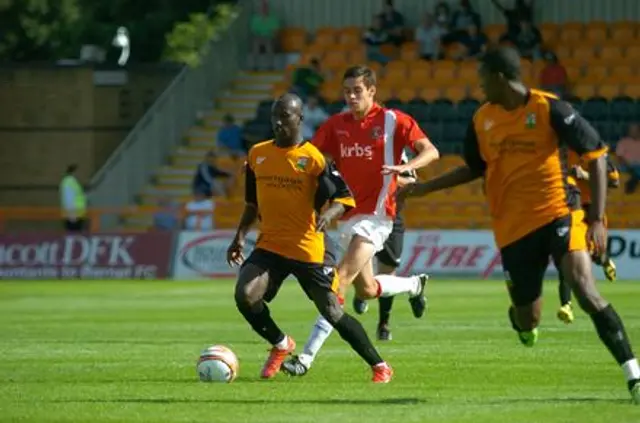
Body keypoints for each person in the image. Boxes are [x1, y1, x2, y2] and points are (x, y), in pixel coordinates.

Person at [405, 47, 640, 403]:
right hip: (513, 228)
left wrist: (596, 220)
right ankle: (522, 323)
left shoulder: (550, 109)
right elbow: (473, 167)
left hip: (560, 212)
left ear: (500, 78)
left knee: (584, 289)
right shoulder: (481, 119)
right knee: (527, 318)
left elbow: (596, 155)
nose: (480, 86)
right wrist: (422, 189)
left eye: (483, 79)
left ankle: (633, 376)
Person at [281, 65, 439, 377]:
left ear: (371, 91)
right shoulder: (336, 125)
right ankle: (414, 284)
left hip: (378, 216)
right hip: (347, 216)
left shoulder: (394, 121)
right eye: (347, 91)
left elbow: (430, 151)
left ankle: (305, 358)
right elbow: (310, 157)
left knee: (339, 279)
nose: (351, 96)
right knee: (366, 290)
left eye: (357, 91)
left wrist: (403, 169)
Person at [227, 93, 393, 383]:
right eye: (275, 116)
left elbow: (344, 197)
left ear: (300, 118)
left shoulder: (314, 159)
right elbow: (252, 204)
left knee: (332, 311)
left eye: (286, 115)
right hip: (271, 245)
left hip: (308, 249)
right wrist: (240, 236)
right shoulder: (257, 154)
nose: (279, 122)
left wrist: (330, 215)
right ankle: (281, 345)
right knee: (245, 296)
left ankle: (379, 365)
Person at [352, 150, 417, 341]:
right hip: (366, 216)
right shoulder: (364, 150)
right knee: (359, 261)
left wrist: (389, 181)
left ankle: (383, 323)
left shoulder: (401, 155)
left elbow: (412, 183)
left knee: (388, 270)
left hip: (392, 217)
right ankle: (362, 292)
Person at [556, 152, 620, 324]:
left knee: (595, 254)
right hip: (572, 207)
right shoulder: (560, 150)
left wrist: (584, 175)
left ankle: (604, 260)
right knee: (568, 253)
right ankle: (566, 305)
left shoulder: (597, 153)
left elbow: (615, 181)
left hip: (593, 209)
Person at [59, 164, 87, 232]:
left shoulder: (73, 182)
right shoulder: (69, 182)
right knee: (73, 235)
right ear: (74, 172)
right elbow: (69, 199)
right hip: (73, 215)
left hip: (77, 214)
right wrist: (72, 214)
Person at [616, 123, 640, 194]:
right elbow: (619, 157)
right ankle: (635, 179)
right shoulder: (623, 142)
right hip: (627, 165)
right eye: (631, 130)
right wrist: (627, 164)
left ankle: (634, 179)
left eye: (634, 130)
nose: (632, 132)